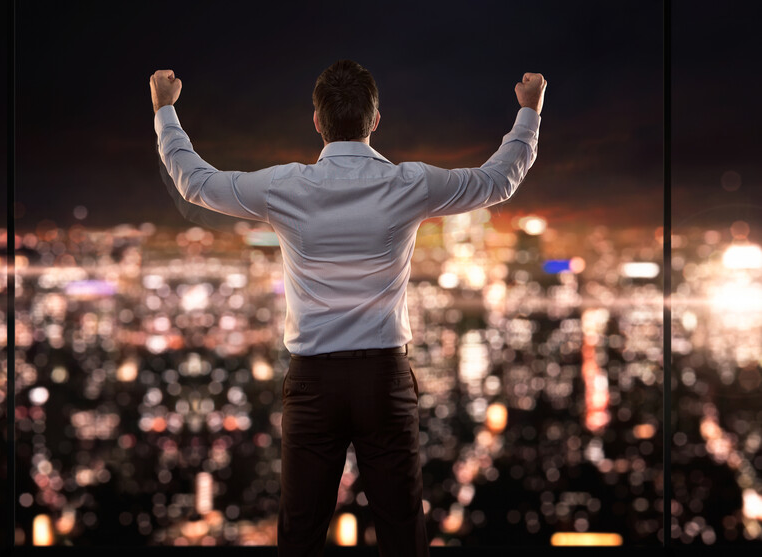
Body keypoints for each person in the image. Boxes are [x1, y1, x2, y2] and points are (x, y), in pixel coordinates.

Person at [150, 60, 545, 556]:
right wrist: (529, 111)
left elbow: (196, 182)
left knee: (300, 535)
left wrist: (166, 108)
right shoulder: (409, 183)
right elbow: (498, 181)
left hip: (313, 384)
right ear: (375, 120)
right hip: (385, 379)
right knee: (403, 534)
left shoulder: (284, 187)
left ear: (316, 121)